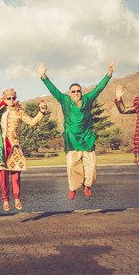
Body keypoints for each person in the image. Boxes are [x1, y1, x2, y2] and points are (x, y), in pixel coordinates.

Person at [37, 60, 114, 199]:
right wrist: (44, 77)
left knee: (92, 166)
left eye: (78, 91)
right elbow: (53, 90)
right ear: (70, 93)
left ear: (81, 92)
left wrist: (109, 74)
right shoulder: (65, 100)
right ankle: (73, 188)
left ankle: (87, 185)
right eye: (73, 91)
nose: (76, 93)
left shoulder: (88, 99)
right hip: (72, 139)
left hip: (87, 138)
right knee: (72, 166)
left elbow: (99, 88)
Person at [0, 78, 47, 211]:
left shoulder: (19, 112)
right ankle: (6, 199)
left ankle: (17, 197)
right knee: (3, 176)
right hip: (0, 147)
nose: (11, 101)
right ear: (4, 99)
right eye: (8, 98)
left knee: (16, 175)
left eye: (13, 98)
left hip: (14, 147)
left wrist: (41, 112)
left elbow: (32, 122)